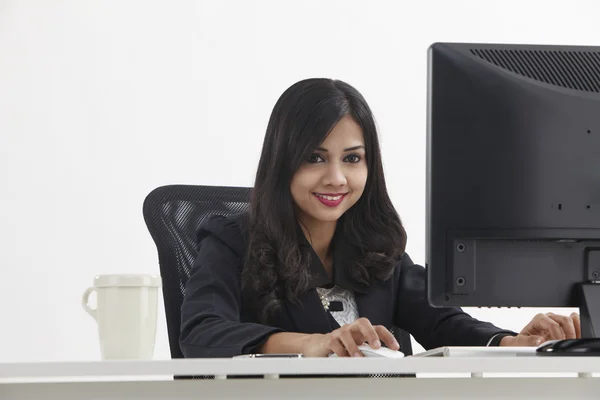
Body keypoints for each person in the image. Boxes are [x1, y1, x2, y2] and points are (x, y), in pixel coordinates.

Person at [180, 78, 581, 358]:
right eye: (314, 157)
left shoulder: (375, 244)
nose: (336, 178)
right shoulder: (232, 239)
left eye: (352, 159)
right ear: (282, 162)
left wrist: (509, 342)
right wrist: (311, 343)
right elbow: (201, 332)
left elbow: (442, 321)